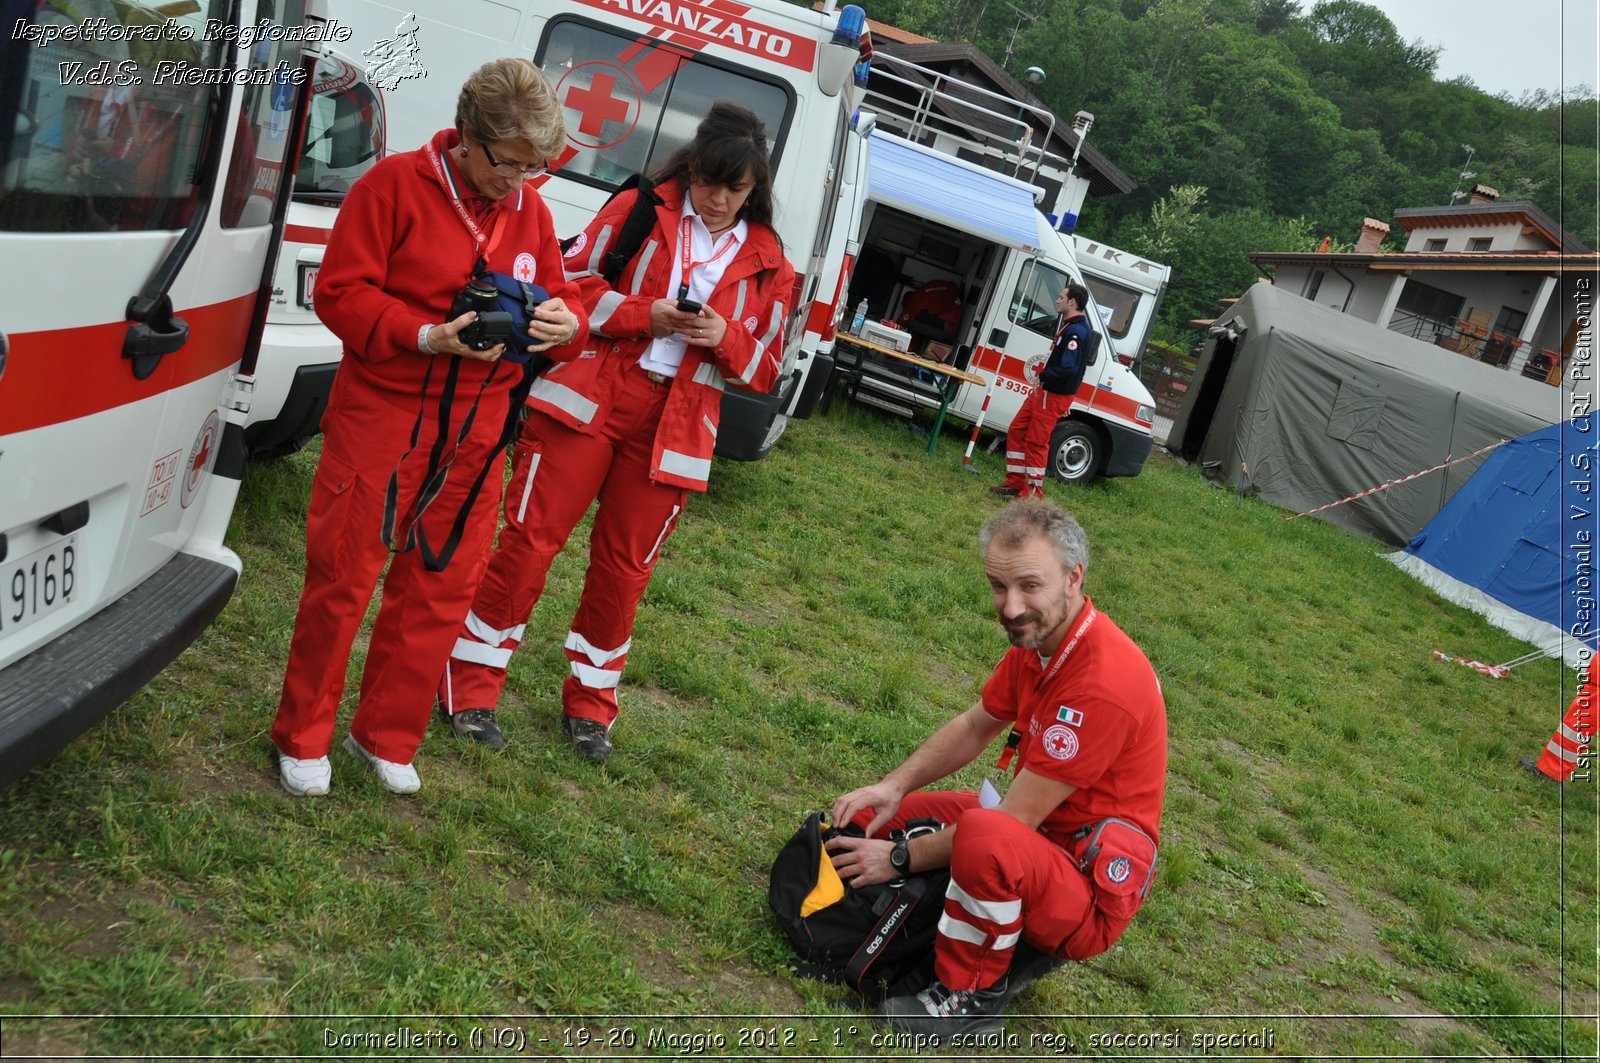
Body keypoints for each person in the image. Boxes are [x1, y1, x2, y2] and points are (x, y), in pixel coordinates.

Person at [439, 101, 794, 762]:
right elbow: (563, 282)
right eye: (706, 181)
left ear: (755, 189)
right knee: (530, 542)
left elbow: (769, 366)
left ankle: (591, 707)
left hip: (679, 423)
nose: (715, 198)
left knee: (625, 571)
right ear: (690, 169)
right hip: (591, 396)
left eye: (733, 188)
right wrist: (642, 313)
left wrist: (727, 337)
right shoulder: (639, 207)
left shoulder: (772, 263)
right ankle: (470, 683)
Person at [270, 58, 586, 797]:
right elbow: (341, 293)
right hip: (386, 414)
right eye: (508, 165)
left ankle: (384, 734)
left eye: (533, 170)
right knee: (345, 575)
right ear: (467, 139)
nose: (517, 183)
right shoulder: (390, 188)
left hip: (477, 430)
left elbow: (564, 309)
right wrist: (423, 336)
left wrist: (562, 326)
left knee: (441, 584)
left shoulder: (530, 212)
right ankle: (303, 734)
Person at [827, 499, 1167, 1038]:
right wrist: (893, 786)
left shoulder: (1102, 684)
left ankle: (972, 997)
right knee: (908, 812)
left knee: (984, 834)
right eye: (997, 586)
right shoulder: (1045, 641)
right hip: (1046, 842)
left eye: (1029, 586)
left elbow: (1014, 822)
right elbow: (977, 724)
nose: (1010, 608)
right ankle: (953, 926)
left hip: (1084, 890)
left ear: (1074, 578)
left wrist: (899, 858)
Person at [992, 283, 1093, 499]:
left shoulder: (1076, 331)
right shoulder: (1071, 326)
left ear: (1072, 302)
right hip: (1045, 393)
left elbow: (1069, 368)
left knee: (1037, 442)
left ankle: (1032, 493)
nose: (1057, 300)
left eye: (1061, 297)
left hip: (1052, 394)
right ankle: (1016, 482)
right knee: (1018, 430)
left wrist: (1045, 376)